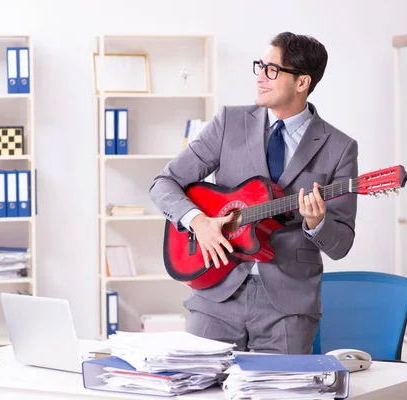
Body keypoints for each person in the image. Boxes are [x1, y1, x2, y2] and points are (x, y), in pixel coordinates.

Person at [149, 32, 358, 354]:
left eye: (272, 70)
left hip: (289, 306)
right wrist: (199, 221)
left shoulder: (340, 148)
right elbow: (165, 183)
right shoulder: (229, 122)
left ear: (302, 82)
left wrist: (317, 223)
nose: (260, 77)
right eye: (260, 66)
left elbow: (341, 243)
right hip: (215, 292)